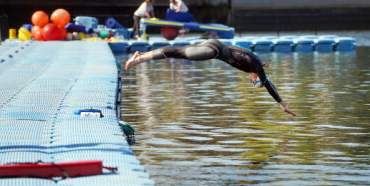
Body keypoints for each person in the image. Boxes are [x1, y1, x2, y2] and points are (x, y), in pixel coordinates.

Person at [125, 39, 296, 116]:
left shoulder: (254, 67)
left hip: (212, 45)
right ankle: (139, 58)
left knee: (180, 52)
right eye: (254, 82)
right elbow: (268, 84)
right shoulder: (256, 67)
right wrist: (282, 104)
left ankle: (141, 56)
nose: (251, 81)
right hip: (213, 50)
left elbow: (266, 81)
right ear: (257, 77)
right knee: (180, 53)